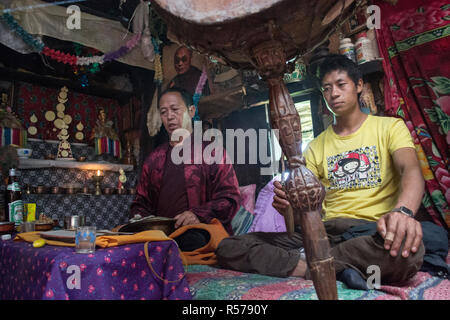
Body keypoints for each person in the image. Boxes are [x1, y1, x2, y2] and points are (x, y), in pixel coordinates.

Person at [215, 54, 448, 289]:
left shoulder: (389, 127)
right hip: (324, 231)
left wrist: (403, 212)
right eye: (326, 88)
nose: (333, 94)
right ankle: (325, 266)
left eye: (340, 84)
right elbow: (299, 220)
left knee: (408, 250)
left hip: (371, 230)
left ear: (358, 85)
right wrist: (288, 208)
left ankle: (316, 263)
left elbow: (410, 170)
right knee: (229, 247)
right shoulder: (316, 146)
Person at [129, 87, 240, 251]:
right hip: (160, 235)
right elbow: (141, 203)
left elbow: (229, 198)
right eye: (164, 112)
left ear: (191, 110)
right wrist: (143, 220)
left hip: (200, 231)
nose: (170, 117)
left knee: (191, 239)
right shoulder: (154, 159)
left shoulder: (213, 152)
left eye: (175, 109)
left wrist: (197, 215)